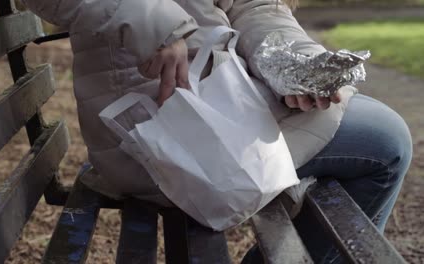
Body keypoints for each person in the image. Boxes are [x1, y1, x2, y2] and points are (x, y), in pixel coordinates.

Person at [21, 0, 412, 262]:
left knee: (378, 128)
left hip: (217, 95)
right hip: (158, 131)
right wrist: (150, 19)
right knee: (385, 142)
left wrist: (294, 64)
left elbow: (253, 6)